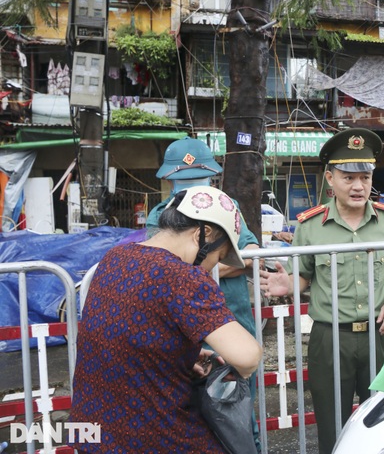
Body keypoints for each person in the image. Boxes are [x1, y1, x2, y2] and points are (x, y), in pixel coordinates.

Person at [70, 186, 263, 452]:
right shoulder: (183, 277)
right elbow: (247, 356)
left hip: (91, 428)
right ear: (202, 235)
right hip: (151, 434)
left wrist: (180, 355)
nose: (212, 269)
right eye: (217, 257)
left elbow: (127, 332)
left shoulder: (114, 258)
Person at [259, 128, 384, 454]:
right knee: (333, 426)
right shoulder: (310, 226)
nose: (358, 186)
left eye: (365, 177)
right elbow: (303, 277)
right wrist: (288, 284)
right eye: (348, 177)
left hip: (380, 335)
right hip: (330, 339)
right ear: (330, 179)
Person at [147, 136, 264, 451]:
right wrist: (221, 263)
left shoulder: (228, 207)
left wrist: (202, 268)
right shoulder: (159, 214)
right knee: (190, 413)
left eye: (198, 182)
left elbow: (252, 252)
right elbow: (160, 270)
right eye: (182, 182)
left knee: (239, 410)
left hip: (232, 321)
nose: (191, 191)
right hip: (185, 334)